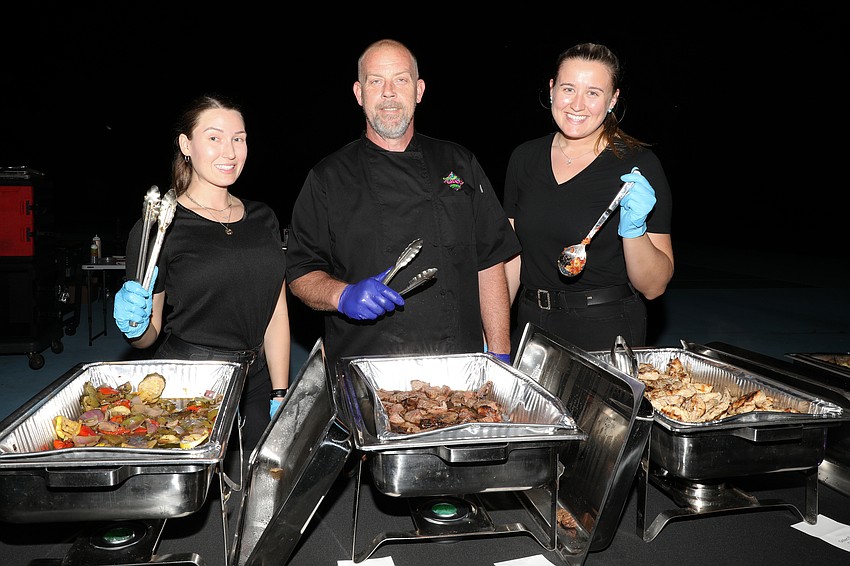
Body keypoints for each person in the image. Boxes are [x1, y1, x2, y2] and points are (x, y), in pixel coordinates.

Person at [285, 38, 520, 373]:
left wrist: (499, 356)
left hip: (459, 367)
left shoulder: (459, 163)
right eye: (376, 81)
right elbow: (300, 274)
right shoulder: (327, 178)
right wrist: (342, 295)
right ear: (359, 93)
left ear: (419, 90)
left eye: (401, 80)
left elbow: (491, 261)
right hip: (365, 371)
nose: (389, 93)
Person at [112, 93, 290, 453]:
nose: (229, 151)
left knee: (264, 488)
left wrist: (280, 392)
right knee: (185, 501)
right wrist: (135, 326)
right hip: (191, 383)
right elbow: (150, 336)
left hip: (256, 381)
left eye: (238, 138)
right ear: (186, 144)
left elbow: (275, 313)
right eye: (214, 138)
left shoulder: (263, 218)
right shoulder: (160, 227)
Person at [503, 42, 674, 353]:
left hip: (606, 329)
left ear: (613, 99)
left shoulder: (638, 165)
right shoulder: (523, 158)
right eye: (568, 88)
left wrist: (633, 230)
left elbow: (654, 286)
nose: (577, 105)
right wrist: (496, 332)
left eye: (593, 92)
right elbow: (512, 258)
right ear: (552, 89)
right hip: (530, 327)